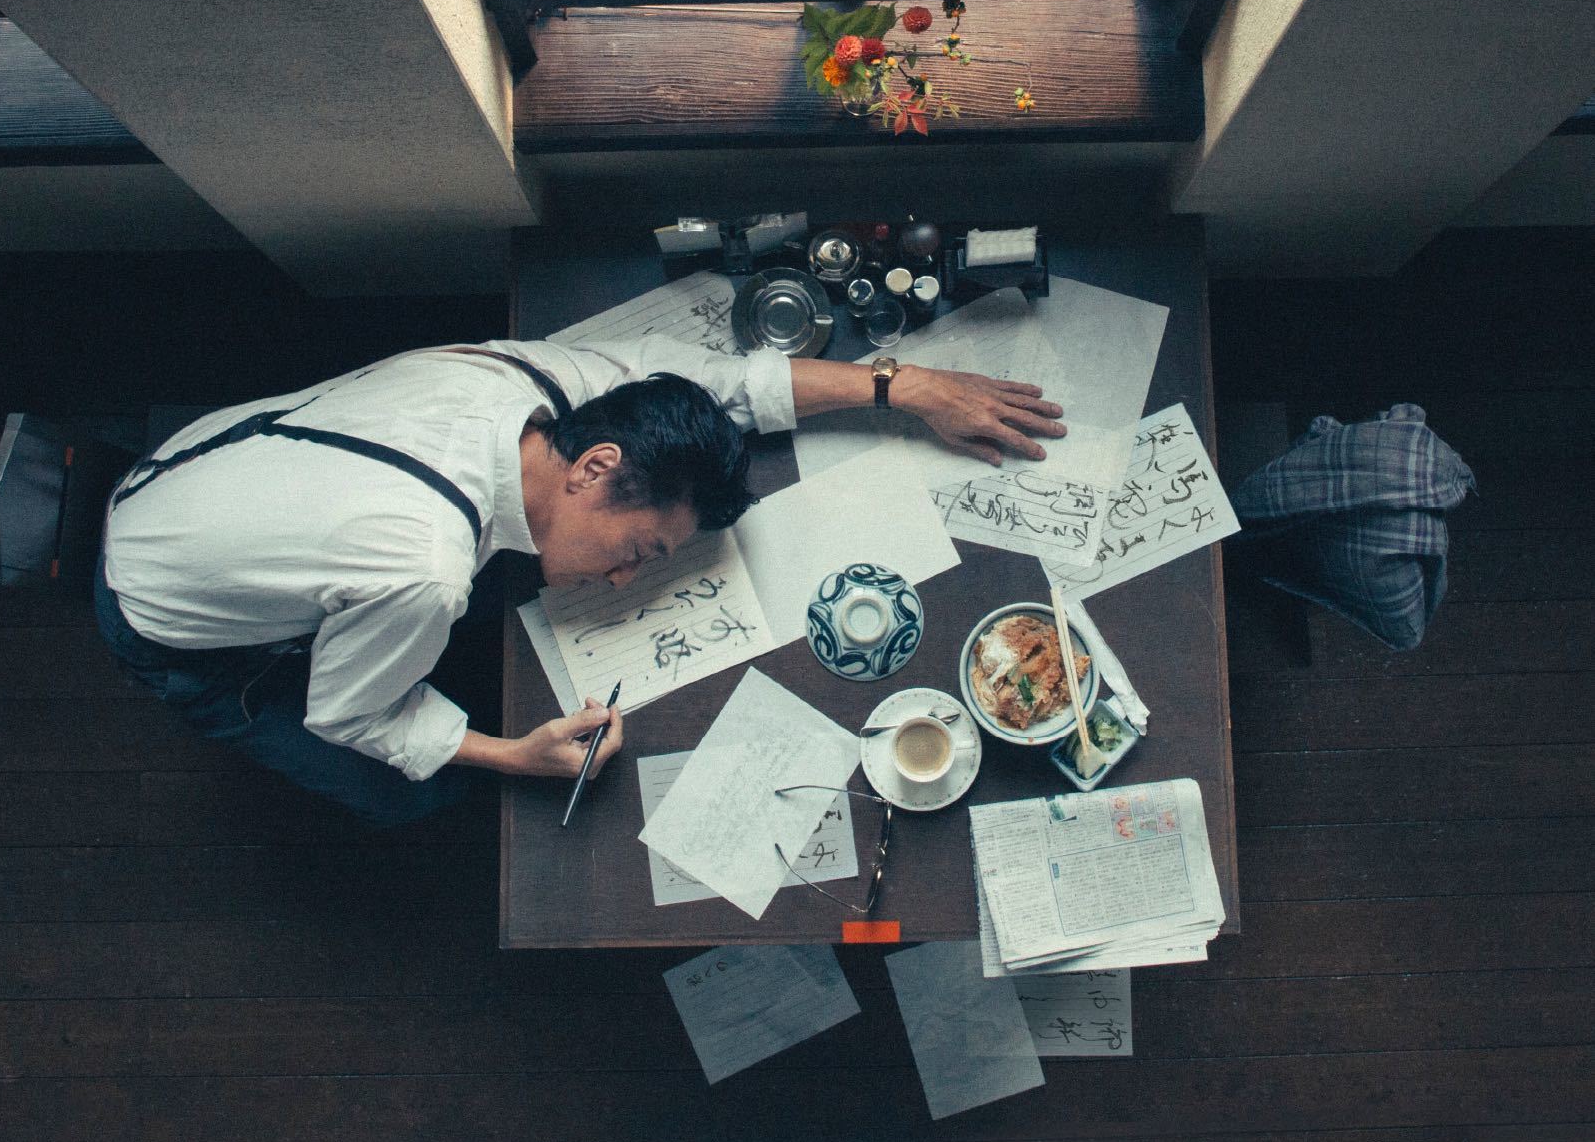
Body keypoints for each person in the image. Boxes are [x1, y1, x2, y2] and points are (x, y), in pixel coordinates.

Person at [94, 332, 1065, 825]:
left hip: (194, 461)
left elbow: (718, 387)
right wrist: (516, 756)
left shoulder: (533, 389)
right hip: (172, 620)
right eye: (639, 550)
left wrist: (902, 386)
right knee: (411, 797)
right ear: (597, 467)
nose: (621, 580)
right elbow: (347, 714)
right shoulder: (422, 571)